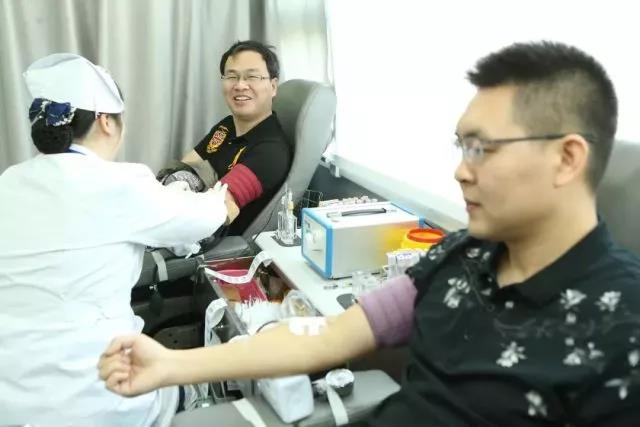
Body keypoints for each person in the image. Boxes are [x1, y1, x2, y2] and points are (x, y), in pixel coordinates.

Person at [99, 41, 640, 426]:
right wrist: (173, 365)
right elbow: (331, 337)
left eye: (483, 149)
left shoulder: (623, 325)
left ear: (566, 158)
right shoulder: (462, 255)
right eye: (461, 147)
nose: (460, 171)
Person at [0, 53, 229, 426]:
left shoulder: (9, 181)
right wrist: (217, 197)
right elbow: (205, 219)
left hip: (11, 398)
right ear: (106, 121)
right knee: (186, 387)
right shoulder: (120, 183)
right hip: (95, 396)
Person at [158, 40, 292, 236]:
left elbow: (217, 210)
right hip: (174, 218)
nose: (240, 85)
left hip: (205, 242)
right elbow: (185, 166)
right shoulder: (226, 126)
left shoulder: (270, 152)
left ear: (273, 86)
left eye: (252, 76)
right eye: (231, 76)